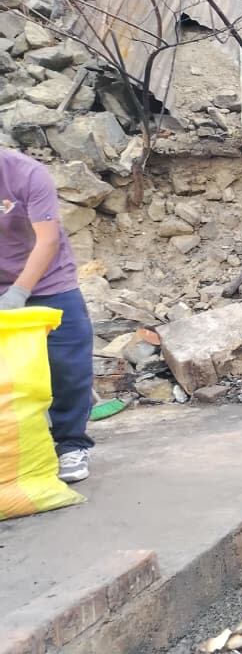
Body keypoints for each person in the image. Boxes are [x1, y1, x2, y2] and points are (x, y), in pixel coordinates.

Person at [0, 148, 95, 483]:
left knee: (67, 361)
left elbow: (47, 241)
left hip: (49, 279)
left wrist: (18, 294)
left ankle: (70, 443)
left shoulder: (26, 174)